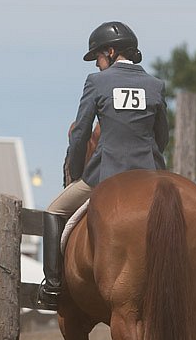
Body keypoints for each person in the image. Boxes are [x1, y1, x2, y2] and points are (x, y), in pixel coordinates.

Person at [36, 21, 169, 309]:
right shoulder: (155, 85)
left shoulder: (97, 82)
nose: (97, 64)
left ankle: (54, 286)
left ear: (110, 51)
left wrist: (77, 174)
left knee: (53, 211)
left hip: (106, 172)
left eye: (98, 57)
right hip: (150, 172)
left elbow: (81, 133)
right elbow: (162, 137)